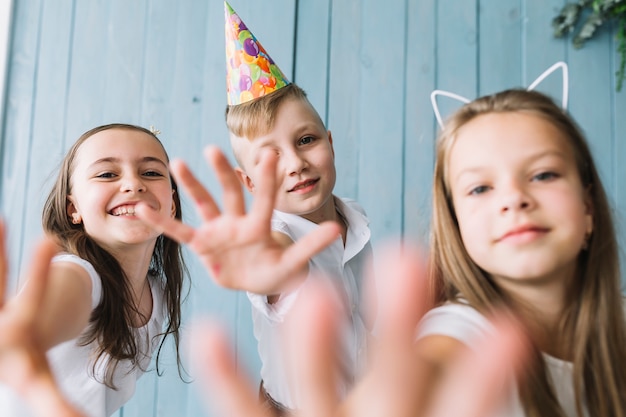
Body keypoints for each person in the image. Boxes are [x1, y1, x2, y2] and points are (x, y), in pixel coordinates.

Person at [418, 88, 626, 416]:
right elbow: (434, 370)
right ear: (456, 225)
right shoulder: (458, 336)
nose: (513, 198)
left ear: (588, 209)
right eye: (480, 188)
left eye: (543, 175)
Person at [1, 123, 188, 417]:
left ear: (172, 206)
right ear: (72, 209)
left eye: (151, 172)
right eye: (107, 174)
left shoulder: (158, 295)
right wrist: (30, 331)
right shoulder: (77, 275)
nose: (133, 184)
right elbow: (59, 302)